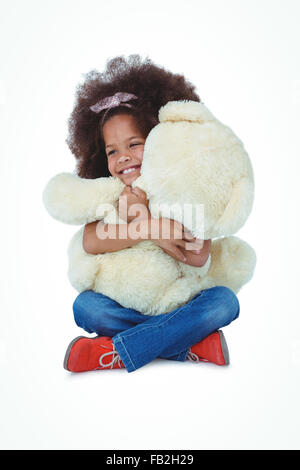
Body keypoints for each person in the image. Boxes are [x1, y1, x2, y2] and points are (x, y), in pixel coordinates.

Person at [63, 55, 240, 373]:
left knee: (225, 301)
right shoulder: (112, 194)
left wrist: (148, 220)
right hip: (125, 306)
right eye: (112, 151)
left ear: (160, 141)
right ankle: (184, 345)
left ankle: (120, 350)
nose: (123, 158)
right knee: (85, 307)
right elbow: (91, 241)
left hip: (180, 303)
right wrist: (146, 229)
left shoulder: (184, 188)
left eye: (134, 144)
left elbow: (199, 256)